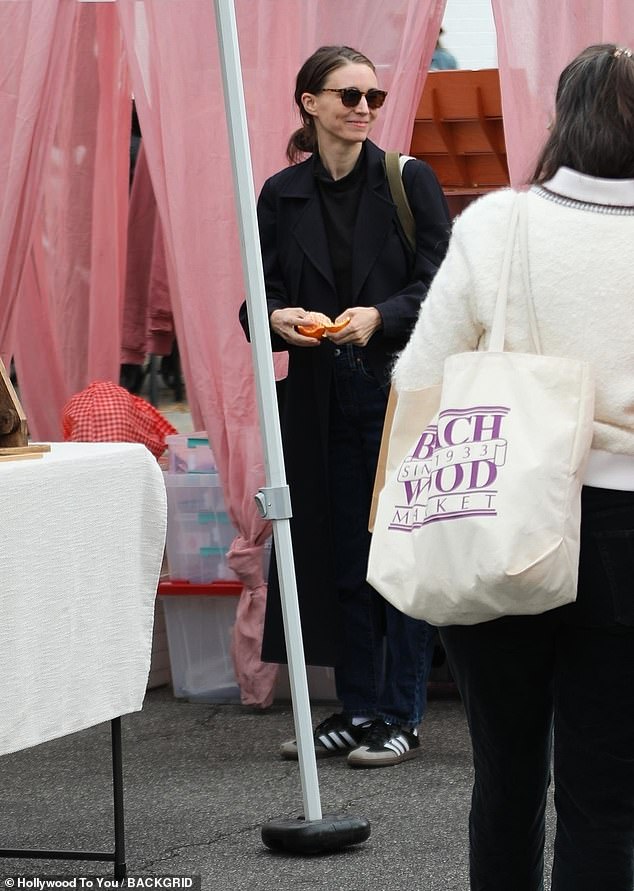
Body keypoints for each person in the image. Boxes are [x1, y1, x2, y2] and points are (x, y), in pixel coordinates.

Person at [392, 43, 634, 889]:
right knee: (609, 797)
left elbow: (417, 377)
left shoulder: (500, 222)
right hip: (624, 527)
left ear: (561, 120)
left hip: (494, 509)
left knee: (505, 773)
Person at [239, 45, 450, 767]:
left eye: (372, 97)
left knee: (400, 549)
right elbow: (254, 295)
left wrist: (380, 316)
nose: (362, 108)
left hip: (396, 388)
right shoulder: (280, 193)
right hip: (319, 391)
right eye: (347, 95)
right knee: (337, 551)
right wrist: (275, 319)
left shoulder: (407, 180)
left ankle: (400, 711)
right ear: (309, 102)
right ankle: (357, 708)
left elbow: (446, 288)